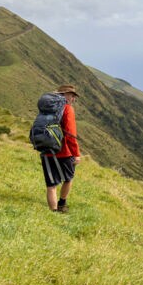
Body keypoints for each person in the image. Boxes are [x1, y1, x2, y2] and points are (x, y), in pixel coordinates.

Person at [41, 84, 81, 212]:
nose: (74, 98)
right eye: (72, 95)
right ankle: (62, 204)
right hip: (65, 152)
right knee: (68, 179)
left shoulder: (47, 108)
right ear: (65, 95)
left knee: (51, 185)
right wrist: (76, 153)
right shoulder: (68, 109)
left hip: (47, 150)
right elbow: (70, 134)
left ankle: (53, 212)